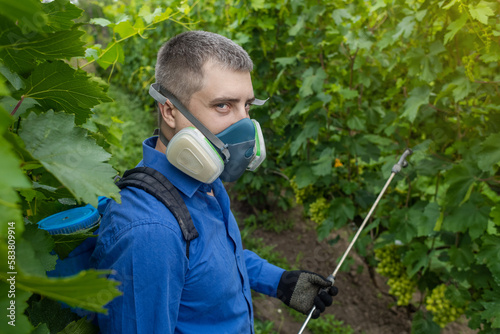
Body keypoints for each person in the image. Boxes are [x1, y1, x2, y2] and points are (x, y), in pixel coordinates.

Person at [90, 30, 338, 333]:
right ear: (169, 111)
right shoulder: (150, 231)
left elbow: (209, 261)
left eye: (247, 106)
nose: (245, 125)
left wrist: (279, 282)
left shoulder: (203, 181)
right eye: (223, 106)